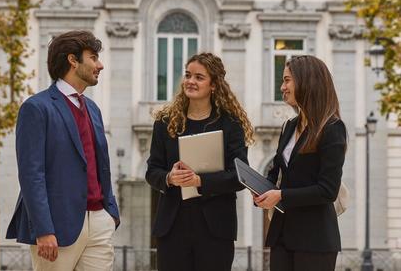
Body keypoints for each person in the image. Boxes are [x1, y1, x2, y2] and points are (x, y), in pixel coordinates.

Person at [6, 30, 120, 271]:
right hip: (56, 227)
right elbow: (31, 174)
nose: (100, 65)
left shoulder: (93, 108)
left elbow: (101, 165)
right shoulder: (36, 108)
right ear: (72, 60)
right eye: (93, 57)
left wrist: (110, 213)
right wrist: (43, 229)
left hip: (99, 222)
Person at [146, 52, 254, 271]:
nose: (190, 82)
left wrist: (199, 180)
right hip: (172, 226)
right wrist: (169, 177)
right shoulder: (165, 123)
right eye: (188, 75)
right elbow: (152, 171)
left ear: (213, 85)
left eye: (199, 77)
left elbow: (239, 177)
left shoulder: (231, 124)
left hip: (216, 228)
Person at [253, 55, 347, 271]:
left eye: (287, 80)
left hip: (315, 239)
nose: (282, 87)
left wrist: (282, 196)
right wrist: (259, 189)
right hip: (282, 235)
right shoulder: (289, 126)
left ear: (307, 81)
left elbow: (328, 190)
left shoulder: (332, 128)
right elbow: (276, 172)